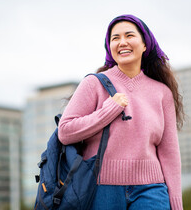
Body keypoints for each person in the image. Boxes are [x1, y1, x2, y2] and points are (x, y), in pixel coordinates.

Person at [58, 14, 184, 210]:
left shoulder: (162, 92)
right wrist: (109, 110)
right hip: (101, 189)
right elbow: (65, 132)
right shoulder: (93, 83)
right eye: (115, 38)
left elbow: (170, 153)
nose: (122, 42)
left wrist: (176, 205)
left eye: (129, 35)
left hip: (151, 190)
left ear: (145, 44)